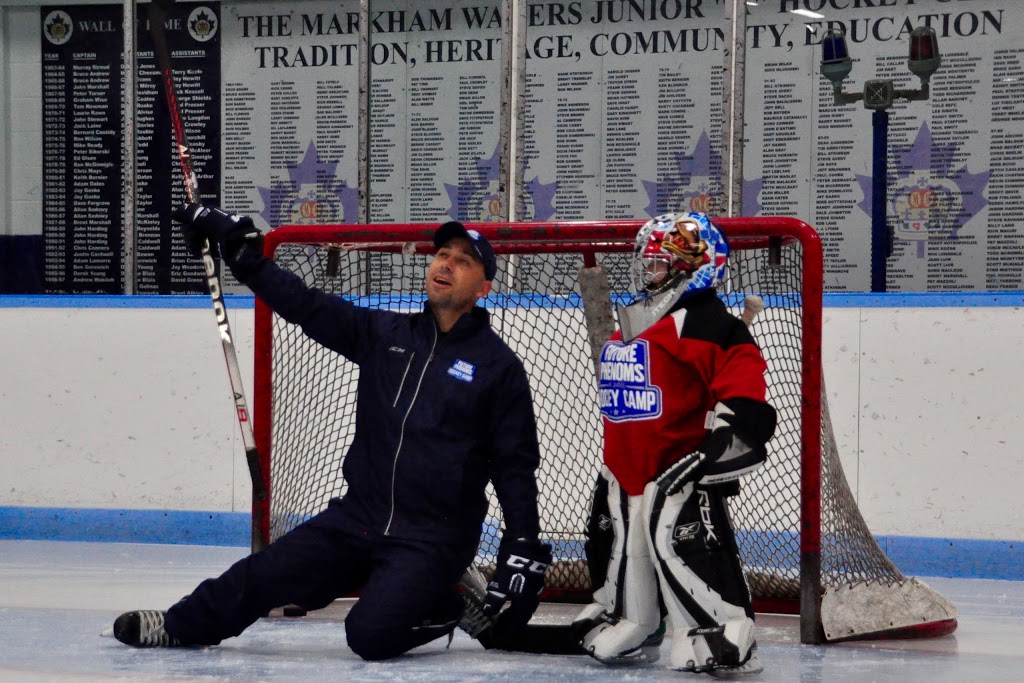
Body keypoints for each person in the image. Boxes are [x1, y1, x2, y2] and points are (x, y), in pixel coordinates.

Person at [111, 205, 553, 660]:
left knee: (369, 635)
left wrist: (522, 544)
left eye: (463, 260)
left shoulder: (499, 369)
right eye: (442, 254)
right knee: (262, 574)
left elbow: (514, 469)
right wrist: (242, 256)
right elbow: (305, 303)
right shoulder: (385, 333)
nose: (446, 264)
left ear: (483, 287)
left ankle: (448, 601)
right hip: (358, 519)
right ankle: (180, 625)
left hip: (431, 539)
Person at [571, 211, 777, 676]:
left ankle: (722, 629)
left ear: (693, 264)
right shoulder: (640, 321)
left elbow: (747, 401)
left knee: (677, 542)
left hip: (675, 472)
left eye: (659, 265)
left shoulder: (708, 325)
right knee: (621, 543)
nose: (649, 274)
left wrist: (716, 447)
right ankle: (634, 619)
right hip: (627, 469)